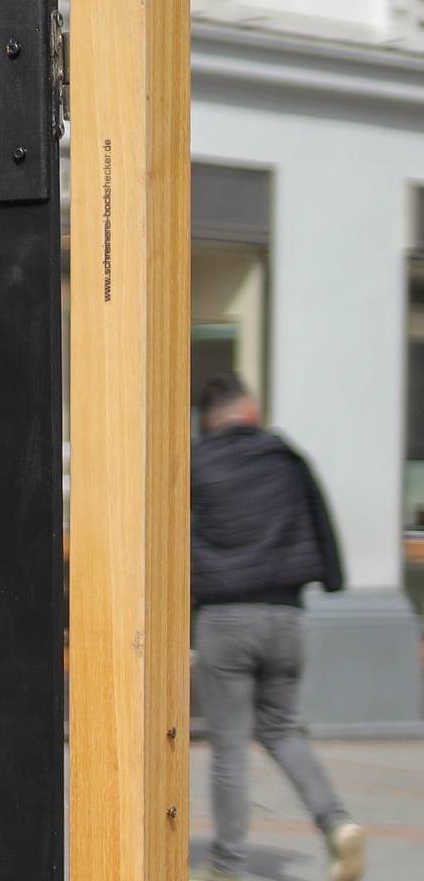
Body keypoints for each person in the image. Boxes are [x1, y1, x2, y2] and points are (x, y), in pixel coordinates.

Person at [191, 372, 364, 881]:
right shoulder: (286, 458)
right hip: (287, 617)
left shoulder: (196, 464)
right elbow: (321, 521)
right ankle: (337, 824)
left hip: (225, 617)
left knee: (228, 745)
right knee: (283, 730)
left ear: (208, 421)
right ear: (251, 411)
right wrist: (333, 581)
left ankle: (228, 862)